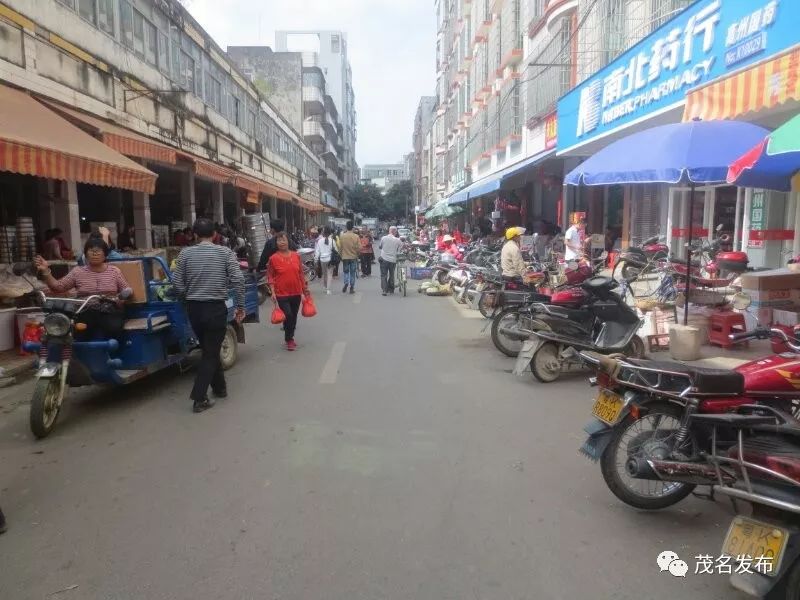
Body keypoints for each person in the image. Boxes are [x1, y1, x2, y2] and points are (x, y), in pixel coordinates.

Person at [172, 218, 245, 413]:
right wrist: (240, 305)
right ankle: (199, 397)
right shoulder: (225, 252)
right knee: (210, 352)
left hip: (194, 309)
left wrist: (187, 295)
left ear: (194, 234)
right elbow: (238, 280)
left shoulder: (185, 254)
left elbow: (177, 284)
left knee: (208, 348)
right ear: (215, 235)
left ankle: (220, 388)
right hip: (215, 309)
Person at [34, 237, 132, 339]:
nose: (95, 253)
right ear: (85, 254)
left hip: (109, 310)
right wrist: (45, 270)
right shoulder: (77, 272)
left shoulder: (114, 271)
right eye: (91, 250)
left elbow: (127, 289)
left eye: (98, 250)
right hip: (84, 310)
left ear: (105, 254)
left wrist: (122, 297)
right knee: (74, 332)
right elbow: (58, 287)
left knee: (114, 329)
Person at [268, 232, 309, 351]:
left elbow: (300, 273)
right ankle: (289, 339)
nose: (281, 242)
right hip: (281, 293)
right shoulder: (273, 258)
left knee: (293, 316)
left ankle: (289, 335)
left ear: (288, 241)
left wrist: (304, 290)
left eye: (283, 240)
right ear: (276, 243)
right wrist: (273, 292)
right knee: (288, 314)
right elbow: (270, 276)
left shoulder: (296, 256)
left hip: (296, 292)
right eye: (279, 240)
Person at [379, 226, 405, 296]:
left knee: (384, 275)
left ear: (389, 231)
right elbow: (402, 246)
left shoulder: (383, 238)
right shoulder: (397, 240)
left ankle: (384, 290)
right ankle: (391, 289)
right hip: (393, 260)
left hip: (384, 259)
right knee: (391, 274)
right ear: (395, 232)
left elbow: (380, 246)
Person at [338, 221, 360, 294]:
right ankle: (352, 287)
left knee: (346, 271)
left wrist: (340, 255)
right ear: (352, 227)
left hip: (345, 257)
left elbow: (340, 247)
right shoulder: (356, 236)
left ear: (346, 227)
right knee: (353, 273)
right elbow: (359, 247)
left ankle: (346, 282)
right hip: (353, 257)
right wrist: (357, 254)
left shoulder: (342, 236)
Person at [314, 227, 337, 295]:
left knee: (325, 274)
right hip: (330, 259)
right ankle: (328, 289)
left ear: (323, 233)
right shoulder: (332, 241)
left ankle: (325, 287)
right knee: (329, 274)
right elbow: (336, 250)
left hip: (322, 260)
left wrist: (315, 260)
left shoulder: (320, 241)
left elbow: (317, 251)